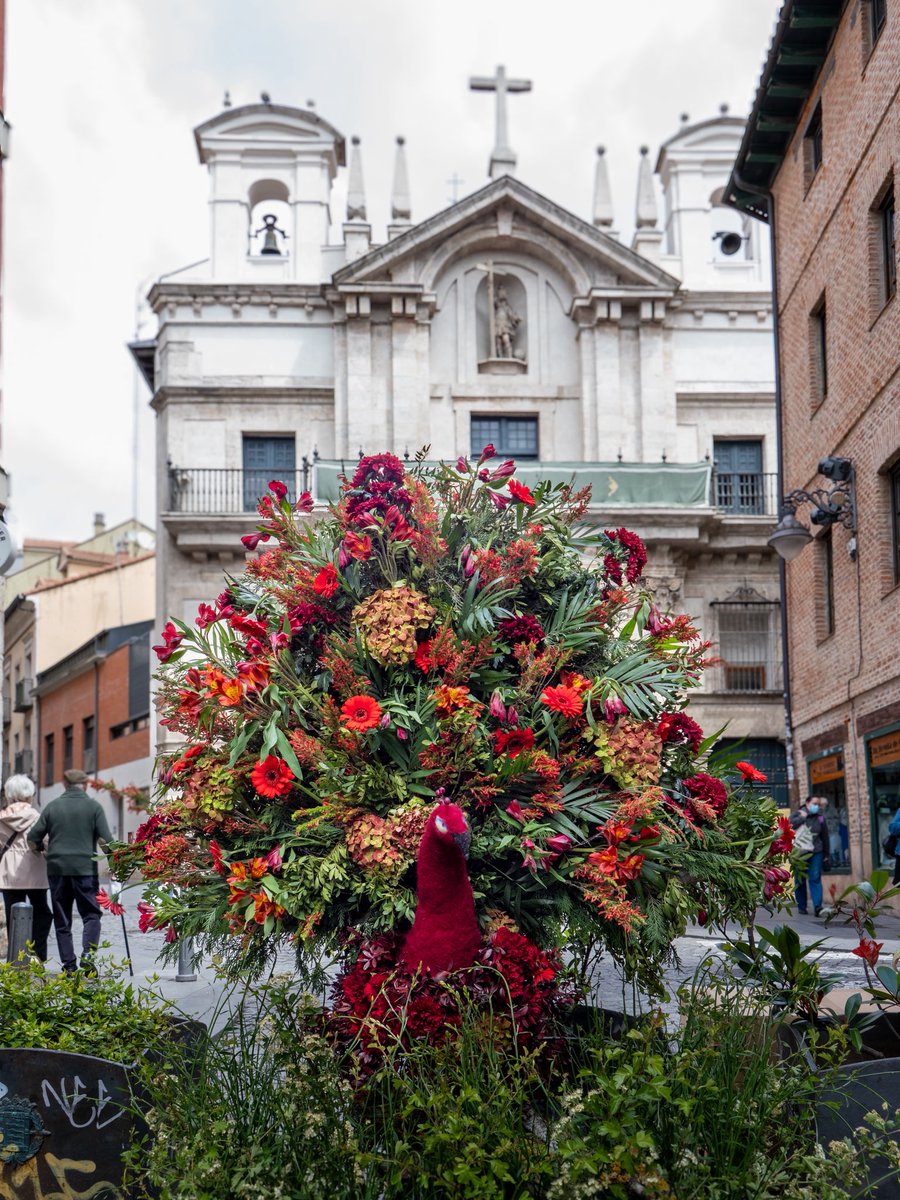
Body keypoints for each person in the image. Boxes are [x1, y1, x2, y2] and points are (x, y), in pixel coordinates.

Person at [27, 768, 112, 973]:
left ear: (64, 784)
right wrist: (115, 862)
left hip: (57, 869)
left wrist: (39, 848)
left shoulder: (52, 807)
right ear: (84, 784)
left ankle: (69, 965)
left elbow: (32, 837)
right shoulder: (94, 807)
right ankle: (88, 957)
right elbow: (107, 841)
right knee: (91, 914)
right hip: (85, 869)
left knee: (62, 917)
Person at [0, 775, 53, 960]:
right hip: (35, 871)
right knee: (42, 913)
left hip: (8, 874)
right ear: (29, 794)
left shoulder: (2, 817)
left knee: (12, 916)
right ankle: (37, 956)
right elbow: (47, 844)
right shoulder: (37, 817)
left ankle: (15, 959)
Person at [790, 794, 831, 917]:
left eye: (818, 804)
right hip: (799, 853)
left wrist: (826, 854)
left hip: (816, 852)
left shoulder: (820, 818)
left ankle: (818, 906)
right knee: (800, 879)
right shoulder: (797, 814)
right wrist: (803, 818)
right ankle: (802, 906)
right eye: (814, 803)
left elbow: (825, 837)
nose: (817, 806)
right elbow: (790, 826)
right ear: (807, 803)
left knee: (815, 877)